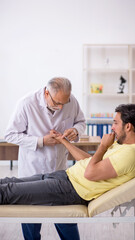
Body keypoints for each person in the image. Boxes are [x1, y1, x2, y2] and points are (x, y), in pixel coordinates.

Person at [1, 104, 135, 208]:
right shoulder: (124, 145)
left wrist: (103, 146)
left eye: (115, 123)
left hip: (71, 189)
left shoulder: (131, 154)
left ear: (128, 127)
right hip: (66, 177)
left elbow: (90, 173)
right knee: (9, 181)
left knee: (8, 192)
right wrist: (62, 140)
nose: (112, 127)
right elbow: (89, 162)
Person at [4, 77, 86, 240]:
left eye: (65, 102)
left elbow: (81, 122)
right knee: (31, 221)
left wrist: (76, 131)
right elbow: (10, 135)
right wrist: (40, 141)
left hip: (59, 170)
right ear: (46, 93)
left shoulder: (71, 101)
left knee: (65, 218)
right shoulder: (27, 103)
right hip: (32, 169)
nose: (61, 107)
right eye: (57, 103)